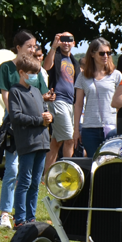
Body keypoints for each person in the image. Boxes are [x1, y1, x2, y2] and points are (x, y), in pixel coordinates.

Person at [0, 30, 49, 228]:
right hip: (18, 127)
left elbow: (41, 97)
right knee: (13, 169)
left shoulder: (35, 69)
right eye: (29, 46)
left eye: (34, 46)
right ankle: (7, 214)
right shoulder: (7, 69)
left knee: (32, 179)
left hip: (39, 134)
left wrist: (47, 114)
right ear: (18, 47)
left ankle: (28, 217)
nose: (33, 49)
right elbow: (9, 101)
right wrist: (31, 119)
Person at [8, 50, 53, 227]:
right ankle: (20, 219)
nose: (35, 76)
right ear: (21, 73)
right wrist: (39, 120)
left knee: (35, 182)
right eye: (32, 73)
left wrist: (49, 118)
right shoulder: (15, 92)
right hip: (27, 142)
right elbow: (16, 117)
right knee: (24, 181)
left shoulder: (36, 90)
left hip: (42, 142)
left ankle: (31, 217)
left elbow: (44, 112)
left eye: (36, 73)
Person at [74, 38, 122, 156]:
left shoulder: (116, 75)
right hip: (89, 128)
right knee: (93, 165)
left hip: (112, 127)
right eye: (102, 53)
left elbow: (121, 102)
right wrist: (76, 130)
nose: (106, 56)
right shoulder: (83, 76)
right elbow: (78, 104)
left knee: (111, 164)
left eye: (108, 53)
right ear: (92, 54)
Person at [42, 31, 79, 170]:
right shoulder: (56, 56)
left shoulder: (74, 61)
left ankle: (46, 176)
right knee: (69, 139)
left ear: (74, 43)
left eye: (69, 39)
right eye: (63, 39)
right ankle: (67, 173)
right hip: (58, 102)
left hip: (71, 104)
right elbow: (46, 67)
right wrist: (53, 46)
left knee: (56, 142)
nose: (66, 42)